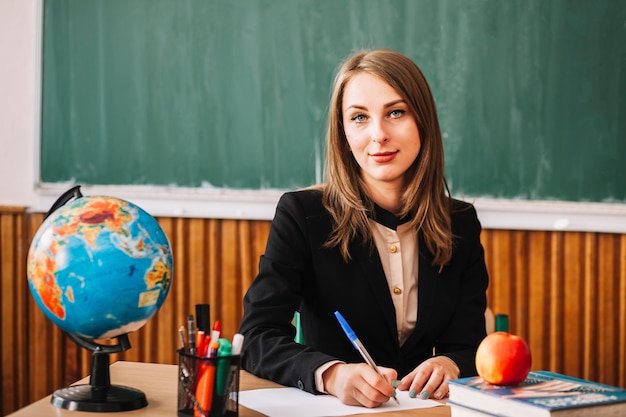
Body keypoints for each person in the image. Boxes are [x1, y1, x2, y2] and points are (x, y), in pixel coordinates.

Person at [238, 49, 489, 408]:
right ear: (343, 132)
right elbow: (256, 335)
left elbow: (469, 346)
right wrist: (331, 374)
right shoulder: (303, 214)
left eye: (396, 112)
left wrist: (450, 363)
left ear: (424, 121)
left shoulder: (460, 222)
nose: (378, 135)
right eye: (359, 117)